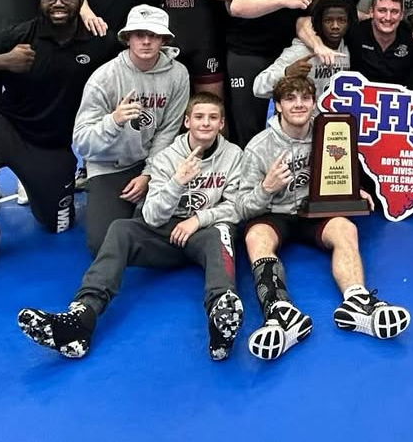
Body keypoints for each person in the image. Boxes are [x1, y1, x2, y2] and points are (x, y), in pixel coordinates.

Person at [16, 93, 245, 360]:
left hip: (204, 232)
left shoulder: (233, 156)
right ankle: (82, 317)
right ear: (186, 122)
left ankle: (221, 317)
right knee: (121, 229)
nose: (205, 123)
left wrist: (197, 220)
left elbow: (237, 206)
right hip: (167, 232)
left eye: (213, 118)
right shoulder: (167, 158)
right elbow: (152, 216)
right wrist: (177, 182)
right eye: (199, 117)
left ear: (221, 124)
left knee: (223, 230)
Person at [0, 0, 118, 282]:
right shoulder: (20, 35)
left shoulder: (98, 41)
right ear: (40, 1)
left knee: (57, 225)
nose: (59, 3)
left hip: (51, 147)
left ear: (80, 1)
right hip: (6, 126)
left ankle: (44, 188)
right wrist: (3, 61)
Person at [235, 75, 410, 361]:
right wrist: (266, 188)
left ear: (314, 102)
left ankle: (357, 303)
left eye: (305, 98)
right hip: (274, 213)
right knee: (255, 237)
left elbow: (341, 167)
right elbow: (242, 208)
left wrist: (355, 190)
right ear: (277, 106)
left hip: (314, 210)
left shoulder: (330, 131)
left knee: (345, 228)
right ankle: (280, 312)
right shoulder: (259, 147)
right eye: (290, 99)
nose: (299, 104)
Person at [72, 4, 190, 254]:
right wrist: (113, 122)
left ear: (164, 39)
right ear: (127, 39)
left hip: (152, 161)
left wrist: (149, 174)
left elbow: (167, 132)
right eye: (139, 35)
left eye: (154, 35)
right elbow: (82, 142)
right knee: (100, 245)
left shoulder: (178, 74)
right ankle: (136, 221)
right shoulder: (104, 78)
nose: (146, 42)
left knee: (184, 228)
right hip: (109, 165)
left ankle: (141, 219)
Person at [227, 0, 331, 144]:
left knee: (291, 118)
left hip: (284, 54)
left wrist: (318, 46)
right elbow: (238, 6)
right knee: (250, 124)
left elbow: (303, 20)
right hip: (248, 52)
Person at [254, 0, 354, 100]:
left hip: (334, 114)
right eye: (328, 20)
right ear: (319, 23)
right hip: (302, 114)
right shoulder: (301, 50)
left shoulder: (349, 47)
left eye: (341, 20)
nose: (335, 26)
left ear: (349, 23)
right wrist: (287, 72)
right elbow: (258, 87)